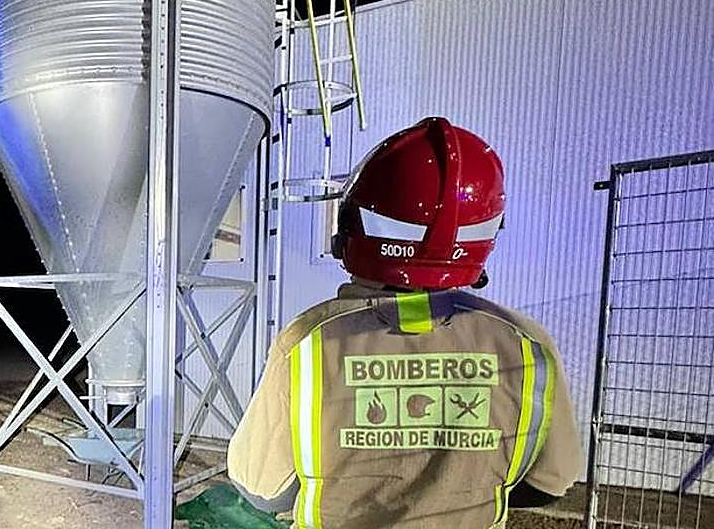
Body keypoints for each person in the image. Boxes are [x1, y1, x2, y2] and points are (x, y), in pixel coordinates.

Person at [227, 117, 583, 528]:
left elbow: (261, 489)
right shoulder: (527, 345)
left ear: (351, 228)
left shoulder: (308, 341)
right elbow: (550, 484)